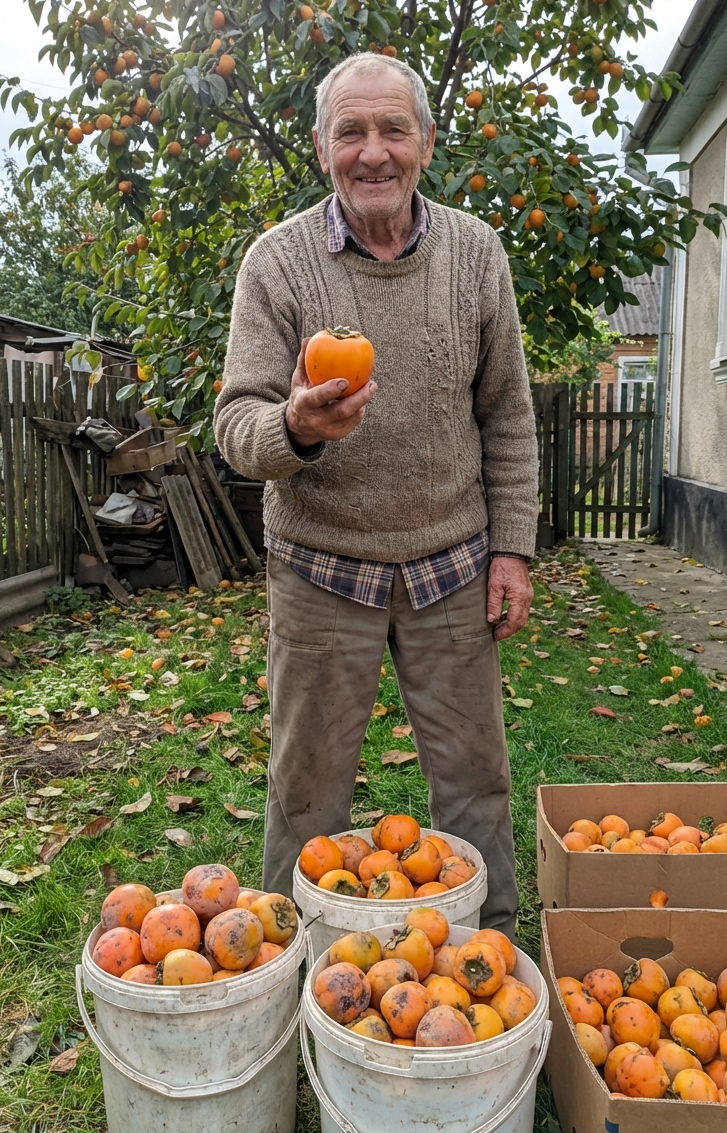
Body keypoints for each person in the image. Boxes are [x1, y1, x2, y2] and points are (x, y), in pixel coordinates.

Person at [214, 53, 538, 937]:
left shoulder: (475, 254)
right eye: (350, 131)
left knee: (475, 780)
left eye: (394, 129)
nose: (373, 151)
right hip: (321, 570)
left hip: (451, 568)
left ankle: (487, 950)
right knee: (306, 788)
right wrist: (296, 427)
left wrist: (511, 549)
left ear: (425, 142)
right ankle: (294, 957)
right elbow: (236, 424)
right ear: (323, 148)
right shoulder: (277, 264)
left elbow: (507, 414)